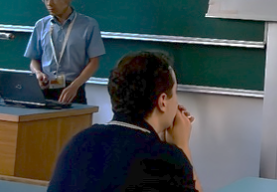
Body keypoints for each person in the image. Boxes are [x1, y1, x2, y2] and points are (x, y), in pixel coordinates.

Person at [47, 51, 201, 192]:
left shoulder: (80, 142)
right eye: (174, 93)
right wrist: (182, 146)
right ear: (163, 102)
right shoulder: (167, 159)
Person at [24, 0, 105, 104]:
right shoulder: (41, 25)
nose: (49, 4)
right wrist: (38, 73)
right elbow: (34, 60)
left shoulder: (88, 25)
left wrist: (75, 86)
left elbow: (94, 62)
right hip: (45, 88)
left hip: (73, 88)